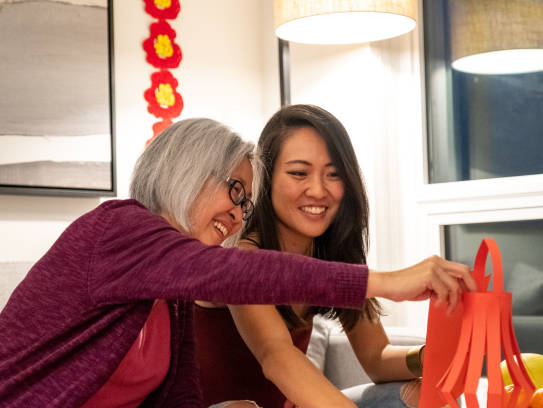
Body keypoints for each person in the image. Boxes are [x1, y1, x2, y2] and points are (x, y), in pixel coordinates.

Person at [0, 118, 472, 408]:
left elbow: (178, 397)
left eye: (246, 201)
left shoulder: (173, 295)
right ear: (188, 172)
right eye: (234, 190)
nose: (238, 213)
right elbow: (243, 276)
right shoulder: (118, 228)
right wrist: (386, 281)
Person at [193, 106, 477, 408]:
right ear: (266, 179)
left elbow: (376, 357)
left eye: (333, 174)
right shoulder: (243, 260)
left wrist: (431, 356)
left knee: (423, 394)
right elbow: (277, 356)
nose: (318, 189)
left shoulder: (334, 260)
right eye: (298, 173)